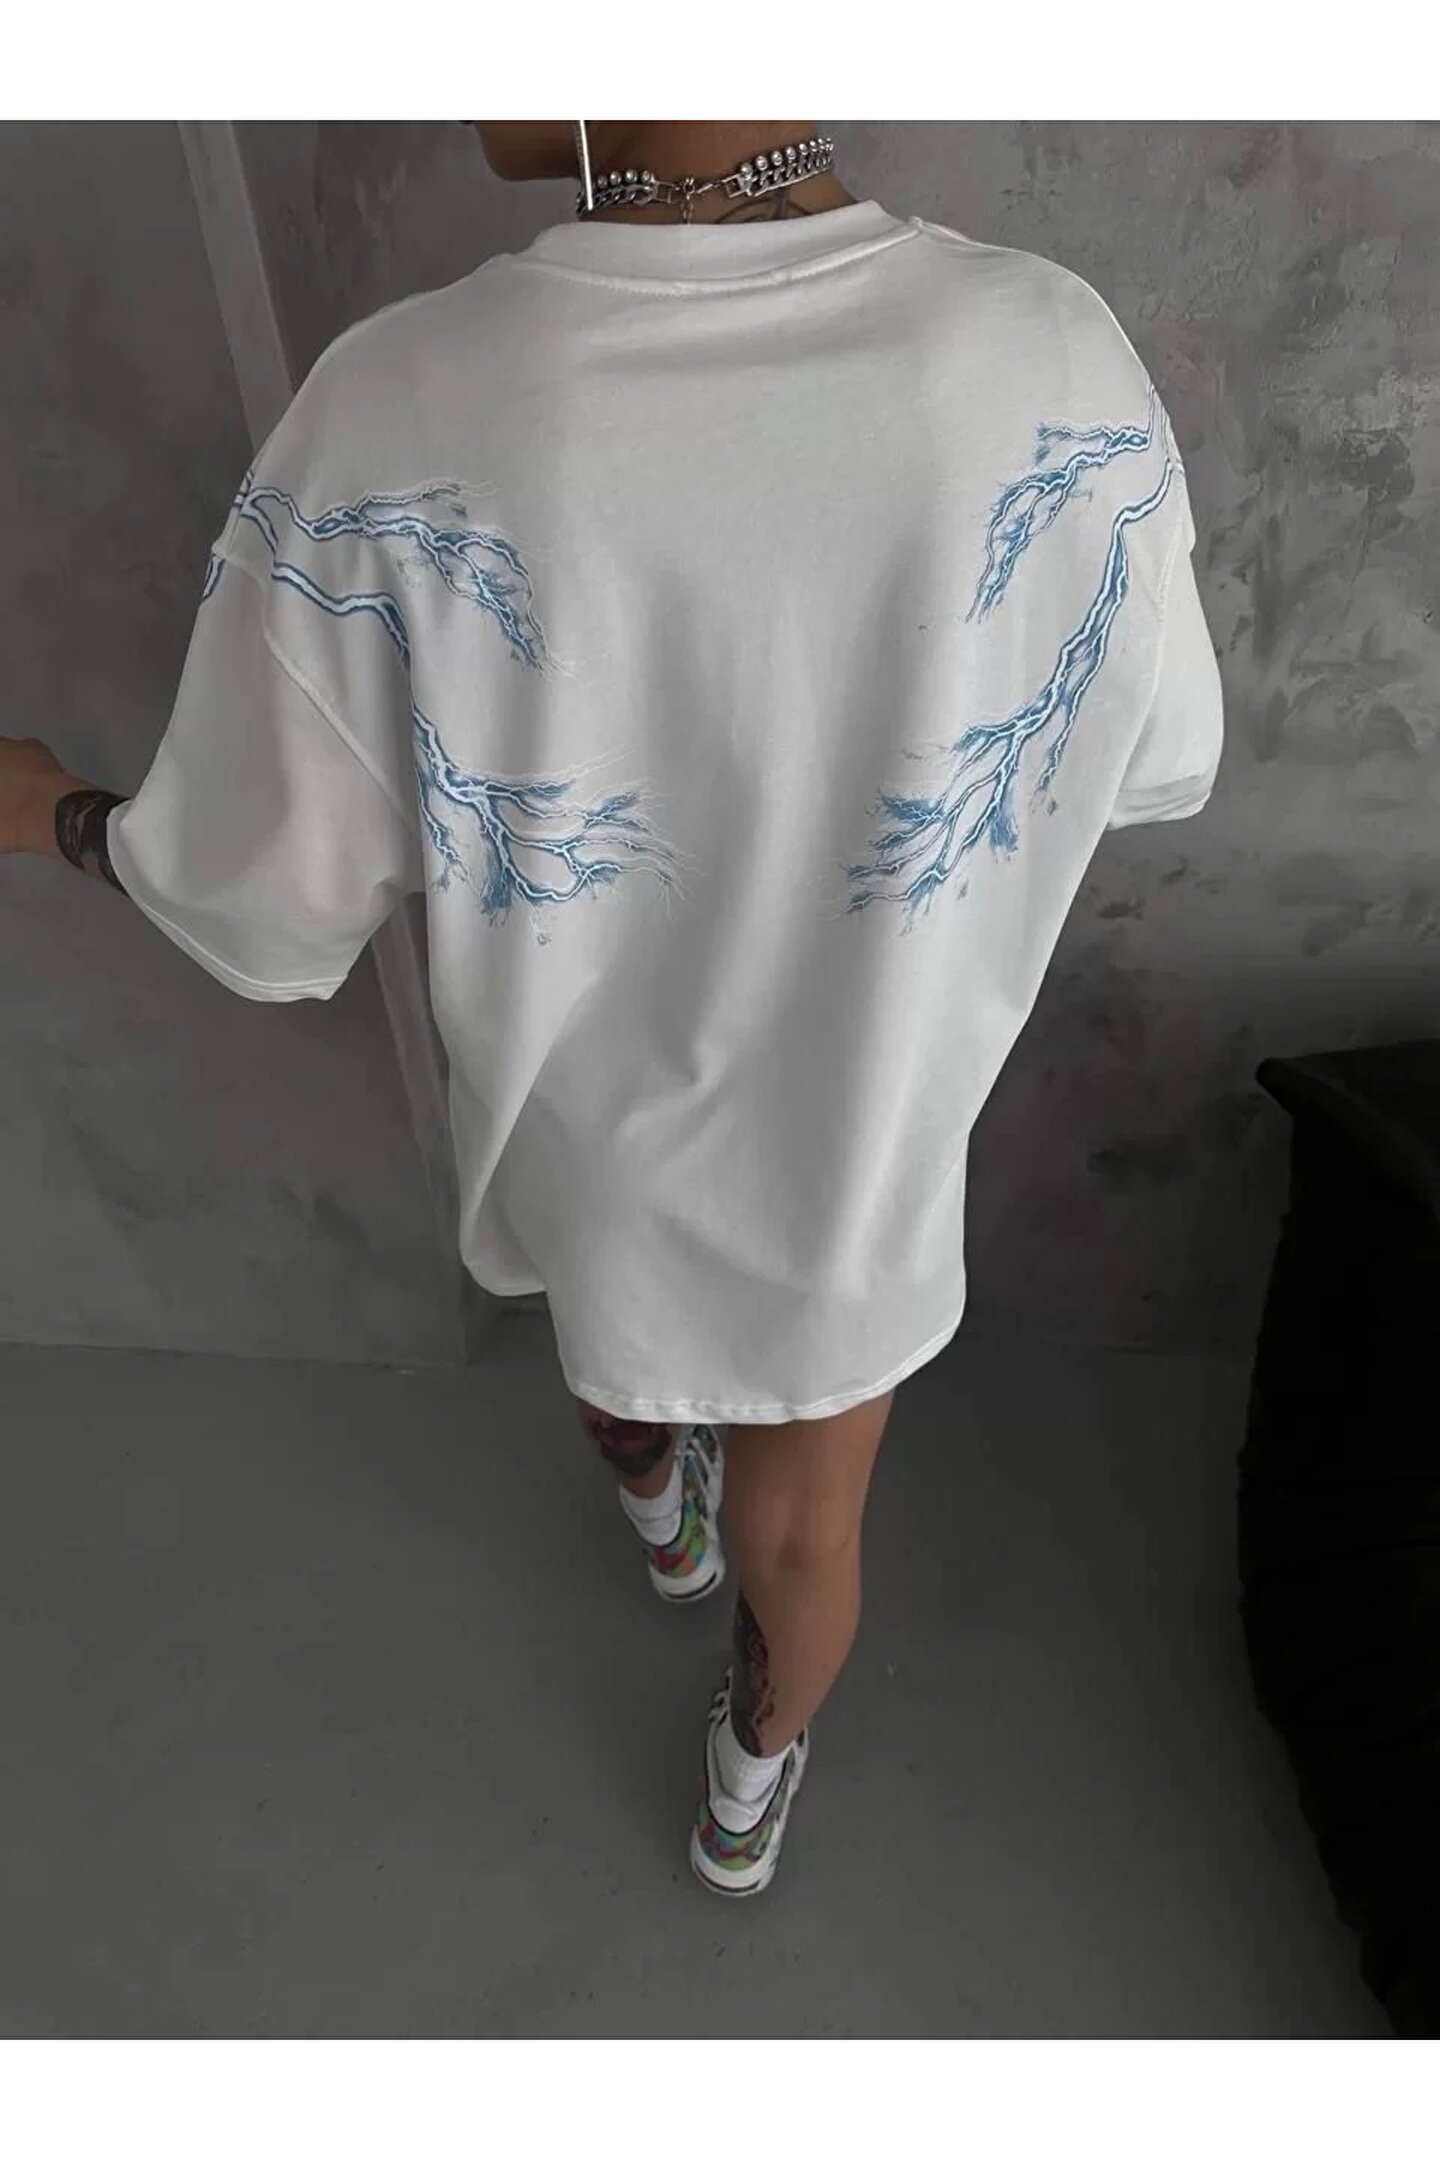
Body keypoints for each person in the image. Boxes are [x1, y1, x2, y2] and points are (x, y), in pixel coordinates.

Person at [0, 120, 1223, 1899]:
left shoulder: (397, 406)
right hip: (862, 1129)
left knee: (608, 1338)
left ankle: (661, 1525)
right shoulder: (1053, 350)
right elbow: (1153, 752)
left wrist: (51, 809)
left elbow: (253, 881)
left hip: (586, 1118)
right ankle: (744, 1796)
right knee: (809, 1535)